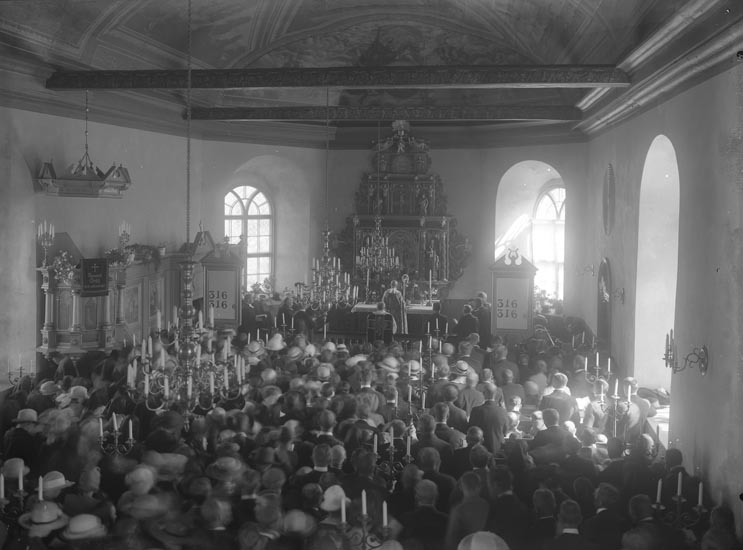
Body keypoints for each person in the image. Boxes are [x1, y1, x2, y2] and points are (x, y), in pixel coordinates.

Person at [468, 384, 508, 454]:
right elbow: (505, 431)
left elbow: (471, 430)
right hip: (497, 449)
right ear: (495, 394)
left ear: (484, 393)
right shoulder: (503, 411)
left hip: (480, 449)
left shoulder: (476, 411)